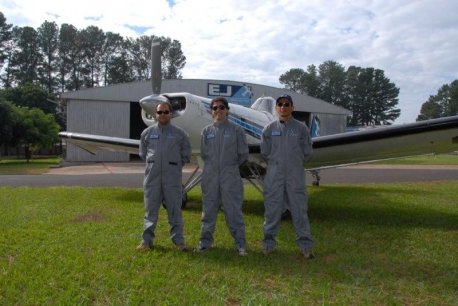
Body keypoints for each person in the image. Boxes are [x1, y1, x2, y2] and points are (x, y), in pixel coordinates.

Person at [260, 94, 315, 259]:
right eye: (280, 104)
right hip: (274, 177)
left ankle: (305, 247)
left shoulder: (301, 129)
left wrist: (293, 164)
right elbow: (265, 153)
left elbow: (307, 152)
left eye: (287, 104)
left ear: (292, 107)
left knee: (299, 211)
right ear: (276, 108)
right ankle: (268, 244)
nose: (283, 107)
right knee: (272, 212)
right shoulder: (268, 130)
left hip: (295, 177)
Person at [197, 96, 249, 256]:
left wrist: (229, 168)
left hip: (230, 177)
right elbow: (205, 154)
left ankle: (240, 244)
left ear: (227, 110)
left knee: (233, 211)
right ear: (212, 111)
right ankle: (205, 243)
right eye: (215, 108)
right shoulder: (206, 132)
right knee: (208, 211)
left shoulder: (236, 131)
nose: (218, 110)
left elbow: (243, 155)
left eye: (221, 107)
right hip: (210, 177)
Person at [136, 101, 191, 252]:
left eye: (166, 112)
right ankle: (146, 242)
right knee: (150, 211)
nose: (163, 115)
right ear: (155, 114)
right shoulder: (147, 134)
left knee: (175, 211)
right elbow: (143, 154)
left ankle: (179, 242)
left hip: (172, 181)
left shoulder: (180, 134)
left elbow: (186, 154)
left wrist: (174, 166)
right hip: (152, 180)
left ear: (171, 114)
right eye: (160, 112)